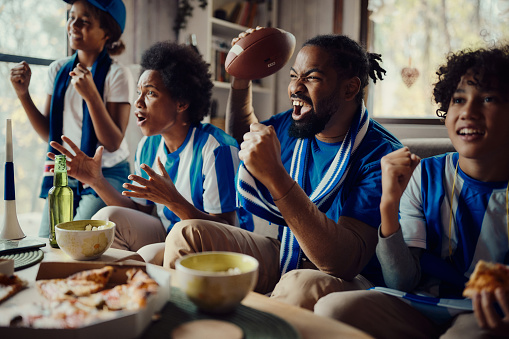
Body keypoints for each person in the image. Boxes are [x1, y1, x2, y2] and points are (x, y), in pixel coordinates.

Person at [160, 34, 402, 308]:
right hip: (287, 252)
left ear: (349, 89)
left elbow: (343, 261)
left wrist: (277, 178)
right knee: (187, 233)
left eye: (311, 78)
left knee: (298, 284)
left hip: (352, 278)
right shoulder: (296, 123)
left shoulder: (382, 155)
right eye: (293, 76)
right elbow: (246, 135)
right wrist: (242, 76)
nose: (295, 88)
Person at [314, 45, 509, 338]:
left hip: (487, 310)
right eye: (458, 99)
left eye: (489, 98)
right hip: (420, 303)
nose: (468, 112)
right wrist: (389, 206)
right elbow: (401, 281)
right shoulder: (425, 175)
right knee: (332, 310)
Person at [48, 41, 241, 253]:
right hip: (170, 234)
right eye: (139, 92)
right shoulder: (148, 146)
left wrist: (173, 201)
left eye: (150, 93)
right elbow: (141, 210)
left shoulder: (216, 148)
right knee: (107, 216)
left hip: (215, 246)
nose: (138, 102)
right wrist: (97, 181)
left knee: (158, 249)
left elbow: (226, 230)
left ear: (182, 102)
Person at [9, 0, 133, 238]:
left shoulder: (118, 75)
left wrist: (92, 97)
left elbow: (112, 142)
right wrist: (23, 95)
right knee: (47, 241)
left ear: (107, 32)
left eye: (84, 21)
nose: (73, 25)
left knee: (73, 239)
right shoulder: (58, 70)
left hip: (106, 174)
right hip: (65, 171)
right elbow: (50, 133)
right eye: (71, 17)